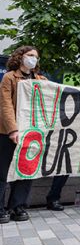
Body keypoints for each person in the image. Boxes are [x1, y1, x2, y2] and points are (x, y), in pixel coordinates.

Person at [0, 46, 46, 223]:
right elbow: (5, 106)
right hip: (8, 133)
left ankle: (17, 207)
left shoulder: (41, 80)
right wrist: (12, 129)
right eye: (30, 55)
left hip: (31, 134)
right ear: (20, 57)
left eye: (36, 56)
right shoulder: (9, 77)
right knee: (3, 172)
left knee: (26, 171)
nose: (33, 59)